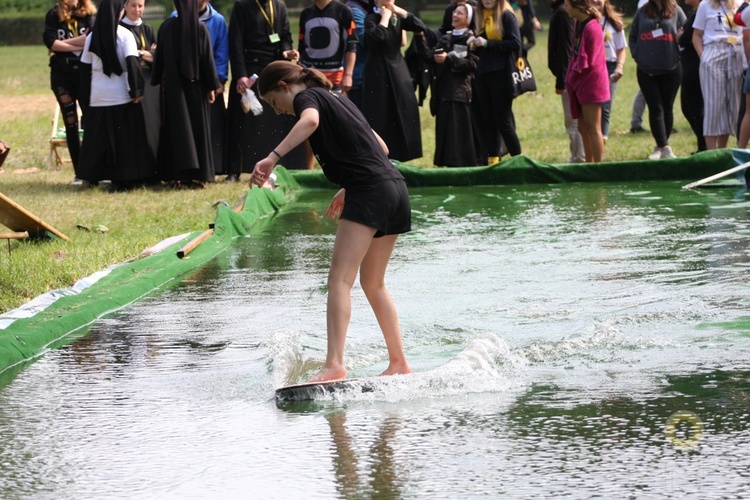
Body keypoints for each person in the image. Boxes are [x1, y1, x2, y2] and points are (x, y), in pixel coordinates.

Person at [251, 61, 413, 383]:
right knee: (374, 284)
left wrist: (272, 157)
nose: (279, 112)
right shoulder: (338, 97)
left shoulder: (307, 99)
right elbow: (380, 147)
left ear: (285, 86)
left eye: (273, 102)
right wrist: (346, 185)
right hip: (395, 188)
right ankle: (399, 363)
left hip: (370, 191)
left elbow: (309, 120)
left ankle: (335, 364)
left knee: (339, 280)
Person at [77, 0, 154, 190]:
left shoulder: (91, 37)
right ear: (118, 13)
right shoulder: (125, 35)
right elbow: (133, 65)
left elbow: (84, 70)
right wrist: (136, 91)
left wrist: (85, 98)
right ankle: (124, 179)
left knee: (96, 140)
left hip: (98, 96)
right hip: (121, 96)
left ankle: (92, 176)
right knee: (124, 141)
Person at [226, 0, 306, 181]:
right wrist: (240, 75)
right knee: (241, 123)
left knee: (277, 120)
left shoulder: (280, 5)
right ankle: (234, 170)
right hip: (249, 71)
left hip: (274, 68)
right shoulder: (242, 6)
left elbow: (285, 35)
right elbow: (235, 42)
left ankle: (279, 166)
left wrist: (287, 52)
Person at [151, 0, 221, 187]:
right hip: (196, 89)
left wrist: (156, 78)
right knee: (197, 130)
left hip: (172, 90)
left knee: (175, 130)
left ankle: (174, 175)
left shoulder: (166, 27)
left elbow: (159, 59)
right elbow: (208, 61)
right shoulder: (201, 29)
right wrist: (212, 86)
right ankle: (198, 174)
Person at [416, 2, 481, 167]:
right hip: (443, 92)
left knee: (458, 132)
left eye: (459, 13)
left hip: (459, 92)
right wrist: (418, 36)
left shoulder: (470, 39)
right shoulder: (447, 38)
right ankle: (444, 163)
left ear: (468, 19)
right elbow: (429, 56)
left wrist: (449, 58)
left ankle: (461, 164)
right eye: (454, 12)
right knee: (444, 130)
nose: (454, 15)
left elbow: (472, 64)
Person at [362, 0, 426, 163]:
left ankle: (404, 154)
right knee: (380, 112)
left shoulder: (398, 16)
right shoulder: (371, 18)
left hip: (398, 68)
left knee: (403, 109)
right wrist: (384, 18)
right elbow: (377, 38)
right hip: (377, 71)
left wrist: (400, 12)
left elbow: (420, 26)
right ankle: (381, 155)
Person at [171, 0, 230, 175]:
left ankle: (214, 166)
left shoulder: (217, 20)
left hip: (209, 80)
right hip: (184, 81)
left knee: (212, 127)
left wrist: (219, 80)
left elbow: (221, 51)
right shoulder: (175, 17)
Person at [298, 0, 359, 169]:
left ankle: (345, 165)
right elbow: (302, 46)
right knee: (307, 120)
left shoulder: (344, 11)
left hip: (336, 77)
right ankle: (309, 168)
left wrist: (348, 74)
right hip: (309, 76)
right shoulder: (306, 13)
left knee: (341, 122)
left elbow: (352, 44)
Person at [43, 0, 97, 184]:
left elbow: (92, 41)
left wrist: (62, 45)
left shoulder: (88, 14)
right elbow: (50, 42)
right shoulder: (53, 15)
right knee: (71, 123)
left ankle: (94, 169)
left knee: (90, 121)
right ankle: (79, 172)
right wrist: (79, 43)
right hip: (62, 76)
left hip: (84, 75)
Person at [629, 0, 685, 159]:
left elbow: (686, 34)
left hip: (671, 68)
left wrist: (678, 56)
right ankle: (663, 147)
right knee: (656, 107)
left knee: (667, 108)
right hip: (646, 70)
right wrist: (638, 55)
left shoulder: (677, 11)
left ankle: (661, 146)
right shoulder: (642, 12)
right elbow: (632, 37)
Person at [468, 0, 522, 163]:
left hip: (501, 74)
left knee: (503, 121)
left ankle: (518, 162)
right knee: (488, 121)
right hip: (483, 73)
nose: (487, 0)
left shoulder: (506, 15)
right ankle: (493, 162)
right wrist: (474, 41)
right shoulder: (480, 16)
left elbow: (515, 43)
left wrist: (487, 43)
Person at [693, 0, 747, 150]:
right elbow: (696, 35)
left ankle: (723, 150)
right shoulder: (706, 5)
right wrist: (703, 56)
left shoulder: (741, 5)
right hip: (713, 52)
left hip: (735, 54)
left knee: (731, 105)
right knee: (713, 104)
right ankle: (711, 151)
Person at [565, 0, 609, 163]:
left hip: (592, 85)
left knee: (594, 127)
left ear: (578, 6)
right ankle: (588, 164)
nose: (566, 8)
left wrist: (575, 75)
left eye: (568, 4)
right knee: (583, 128)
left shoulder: (592, 27)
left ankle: (599, 166)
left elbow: (591, 61)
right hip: (579, 83)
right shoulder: (579, 24)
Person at [120, 0, 159, 164]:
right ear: (125, 7)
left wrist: (140, 53)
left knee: (151, 125)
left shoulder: (148, 28)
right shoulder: (120, 29)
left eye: (140, 6)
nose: (137, 10)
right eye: (133, 6)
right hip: (129, 82)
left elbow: (158, 56)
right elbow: (126, 57)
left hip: (150, 83)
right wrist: (148, 53)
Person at [548, 0, 585, 163]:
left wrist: (561, 80)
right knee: (572, 120)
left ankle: (579, 158)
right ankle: (577, 155)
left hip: (569, 75)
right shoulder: (560, 10)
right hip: (568, 72)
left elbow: (566, 47)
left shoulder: (563, 12)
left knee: (573, 120)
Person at [593, 0, 626, 144]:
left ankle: (602, 141)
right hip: (593, 66)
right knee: (593, 105)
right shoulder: (585, 20)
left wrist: (619, 66)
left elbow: (621, 49)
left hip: (610, 66)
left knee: (606, 105)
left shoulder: (614, 21)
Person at [679, 0, 707, 153]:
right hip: (688, 64)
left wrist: (681, 35)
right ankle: (702, 145)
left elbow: (683, 38)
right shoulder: (692, 13)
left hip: (695, 64)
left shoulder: (699, 13)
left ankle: (704, 147)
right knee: (687, 108)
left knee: (695, 108)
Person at [346, 0, 370, 110]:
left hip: (365, 75)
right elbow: (368, 40)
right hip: (359, 77)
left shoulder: (365, 8)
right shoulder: (354, 10)